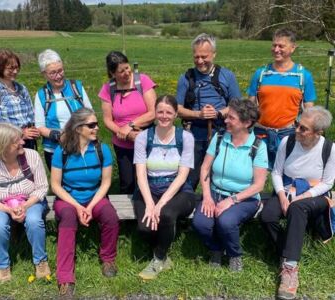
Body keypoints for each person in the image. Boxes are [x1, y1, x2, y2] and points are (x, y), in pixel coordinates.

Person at [260, 106, 335, 300]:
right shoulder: (288, 141)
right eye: (297, 125)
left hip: (314, 195)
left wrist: (304, 196)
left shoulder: (329, 148)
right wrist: (282, 196)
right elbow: (276, 172)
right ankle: (287, 251)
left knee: (298, 207)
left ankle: (290, 270)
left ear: (318, 133)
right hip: (287, 190)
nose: (297, 130)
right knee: (268, 216)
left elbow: (327, 182)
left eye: (303, 129)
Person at [192, 99, 268, 272]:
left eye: (231, 118)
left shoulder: (258, 146)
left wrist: (231, 200)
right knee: (200, 223)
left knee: (226, 221)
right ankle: (216, 249)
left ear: (247, 123)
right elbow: (205, 168)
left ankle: (234, 255)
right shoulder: (219, 138)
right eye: (227, 117)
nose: (225, 121)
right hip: (215, 193)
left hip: (244, 198)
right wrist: (207, 196)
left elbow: (259, 185)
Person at [51, 108, 119, 298]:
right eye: (91, 125)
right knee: (67, 219)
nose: (97, 128)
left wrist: (89, 207)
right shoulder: (62, 151)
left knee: (110, 216)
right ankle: (65, 277)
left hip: (94, 196)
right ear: (78, 128)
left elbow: (105, 182)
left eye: (96, 124)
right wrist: (78, 206)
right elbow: (56, 186)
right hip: (68, 198)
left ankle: (108, 259)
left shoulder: (101, 149)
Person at [133, 95, 197, 280]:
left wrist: (159, 204)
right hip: (149, 188)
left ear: (176, 114)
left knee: (166, 214)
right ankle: (162, 252)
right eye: (160, 111)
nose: (164, 116)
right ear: (154, 113)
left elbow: (183, 175)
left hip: (178, 189)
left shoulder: (185, 137)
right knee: (145, 228)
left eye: (169, 112)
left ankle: (159, 258)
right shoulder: (143, 137)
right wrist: (149, 203)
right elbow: (141, 175)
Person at [0, 123, 50, 283]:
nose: (22, 142)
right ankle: (2, 264)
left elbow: (42, 187)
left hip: (30, 200)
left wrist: (24, 205)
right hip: (0, 204)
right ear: (3, 147)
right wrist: (8, 210)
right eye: (17, 141)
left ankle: (40, 260)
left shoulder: (31, 156)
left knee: (33, 220)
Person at [176, 33, 242, 190]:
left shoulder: (227, 76)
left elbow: (237, 104)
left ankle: (217, 204)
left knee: (219, 176)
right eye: (196, 57)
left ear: (214, 54)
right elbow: (176, 109)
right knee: (189, 178)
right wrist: (198, 114)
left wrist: (219, 113)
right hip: (193, 135)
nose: (200, 61)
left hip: (221, 133)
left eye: (204, 56)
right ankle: (186, 204)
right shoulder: (186, 77)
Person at [248, 28, 317, 168]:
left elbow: (309, 109)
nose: (276, 49)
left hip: (289, 134)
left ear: (292, 48)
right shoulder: (261, 74)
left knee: (285, 176)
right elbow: (250, 105)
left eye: (281, 46)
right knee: (254, 174)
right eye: (274, 45)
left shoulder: (303, 76)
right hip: (261, 133)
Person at [99, 50, 157, 194]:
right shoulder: (108, 89)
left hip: (147, 137)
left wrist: (130, 126)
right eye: (121, 71)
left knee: (150, 178)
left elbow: (153, 112)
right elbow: (107, 119)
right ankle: (128, 214)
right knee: (128, 182)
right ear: (112, 74)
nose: (126, 73)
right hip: (122, 143)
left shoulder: (142, 81)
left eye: (127, 67)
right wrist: (122, 132)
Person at [34, 49, 93, 170]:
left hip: (83, 144)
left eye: (60, 70)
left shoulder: (76, 87)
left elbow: (90, 113)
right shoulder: (41, 95)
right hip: (55, 150)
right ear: (44, 74)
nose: (58, 75)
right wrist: (58, 135)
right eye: (53, 73)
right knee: (60, 185)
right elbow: (40, 127)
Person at [0, 49, 39, 149]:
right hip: (6, 147)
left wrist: (34, 130)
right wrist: (21, 134)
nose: (15, 71)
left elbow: (32, 117)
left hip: (28, 144)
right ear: (0, 68)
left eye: (17, 68)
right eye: (11, 68)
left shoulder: (22, 89)